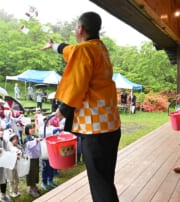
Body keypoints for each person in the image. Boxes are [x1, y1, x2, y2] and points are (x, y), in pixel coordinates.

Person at [41, 12, 121, 202]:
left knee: (100, 184)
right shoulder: (99, 48)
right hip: (111, 126)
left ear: (81, 29)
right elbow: (69, 50)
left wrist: (62, 112)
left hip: (94, 129)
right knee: (105, 180)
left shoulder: (84, 50)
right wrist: (54, 46)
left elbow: (76, 86)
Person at [23, 124, 43, 198]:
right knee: (30, 173)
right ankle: (31, 189)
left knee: (35, 172)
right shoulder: (26, 138)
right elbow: (28, 145)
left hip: (36, 157)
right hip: (30, 159)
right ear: (27, 131)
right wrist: (36, 140)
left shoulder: (36, 136)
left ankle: (34, 186)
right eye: (30, 128)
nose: (32, 129)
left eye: (33, 128)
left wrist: (37, 140)